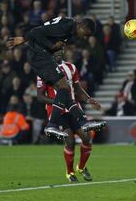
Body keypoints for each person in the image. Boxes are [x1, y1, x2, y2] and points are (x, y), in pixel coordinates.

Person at [6, 16, 105, 139]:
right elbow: (37, 31)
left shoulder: (70, 27)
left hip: (42, 55)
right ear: (81, 26)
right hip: (39, 55)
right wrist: (23, 39)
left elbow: (47, 32)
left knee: (65, 90)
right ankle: (52, 125)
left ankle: (83, 122)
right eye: (85, 34)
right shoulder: (66, 28)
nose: (84, 37)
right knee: (64, 88)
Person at [37, 48, 102, 182]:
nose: (57, 52)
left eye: (59, 50)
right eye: (54, 51)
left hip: (73, 109)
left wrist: (89, 100)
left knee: (87, 138)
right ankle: (70, 172)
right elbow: (40, 96)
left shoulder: (71, 67)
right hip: (58, 112)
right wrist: (59, 102)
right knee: (70, 140)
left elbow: (77, 89)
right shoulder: (43, 70)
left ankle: (81, 168)